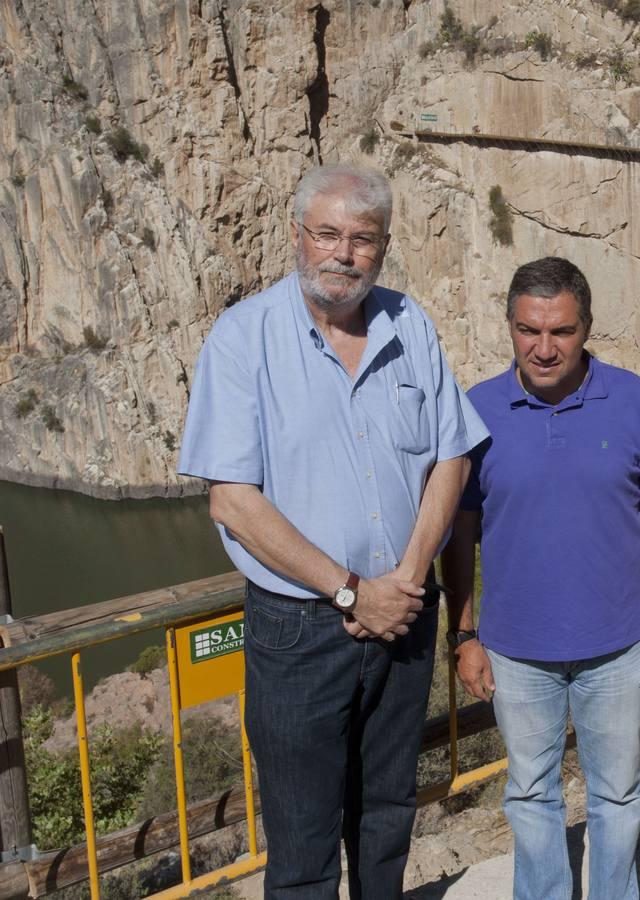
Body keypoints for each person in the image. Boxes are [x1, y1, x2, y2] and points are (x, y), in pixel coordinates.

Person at [178, 164, 488, 898]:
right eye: (326, 234)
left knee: (386, 817)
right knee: (303, 839)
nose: (342, 254)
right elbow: (231, 501)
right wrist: (352, 594)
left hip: (406, 611)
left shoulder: (410, 325)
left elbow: (451, 455)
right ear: (296, 235)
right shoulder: (243, 338)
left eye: (362, 239)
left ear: (382, 248)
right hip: (301, 627)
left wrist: (406, 579)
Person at [445, 256, 640, 900]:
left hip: (619, 647)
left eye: (561, 331)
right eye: (529, 330)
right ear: (510, 325)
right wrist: (463, 633)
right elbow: (460, 530)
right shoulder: (477, 411)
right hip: (514, 650)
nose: (544, 348)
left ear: (587, 328)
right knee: (530, 794)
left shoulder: (633, 400)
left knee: (617, 791)